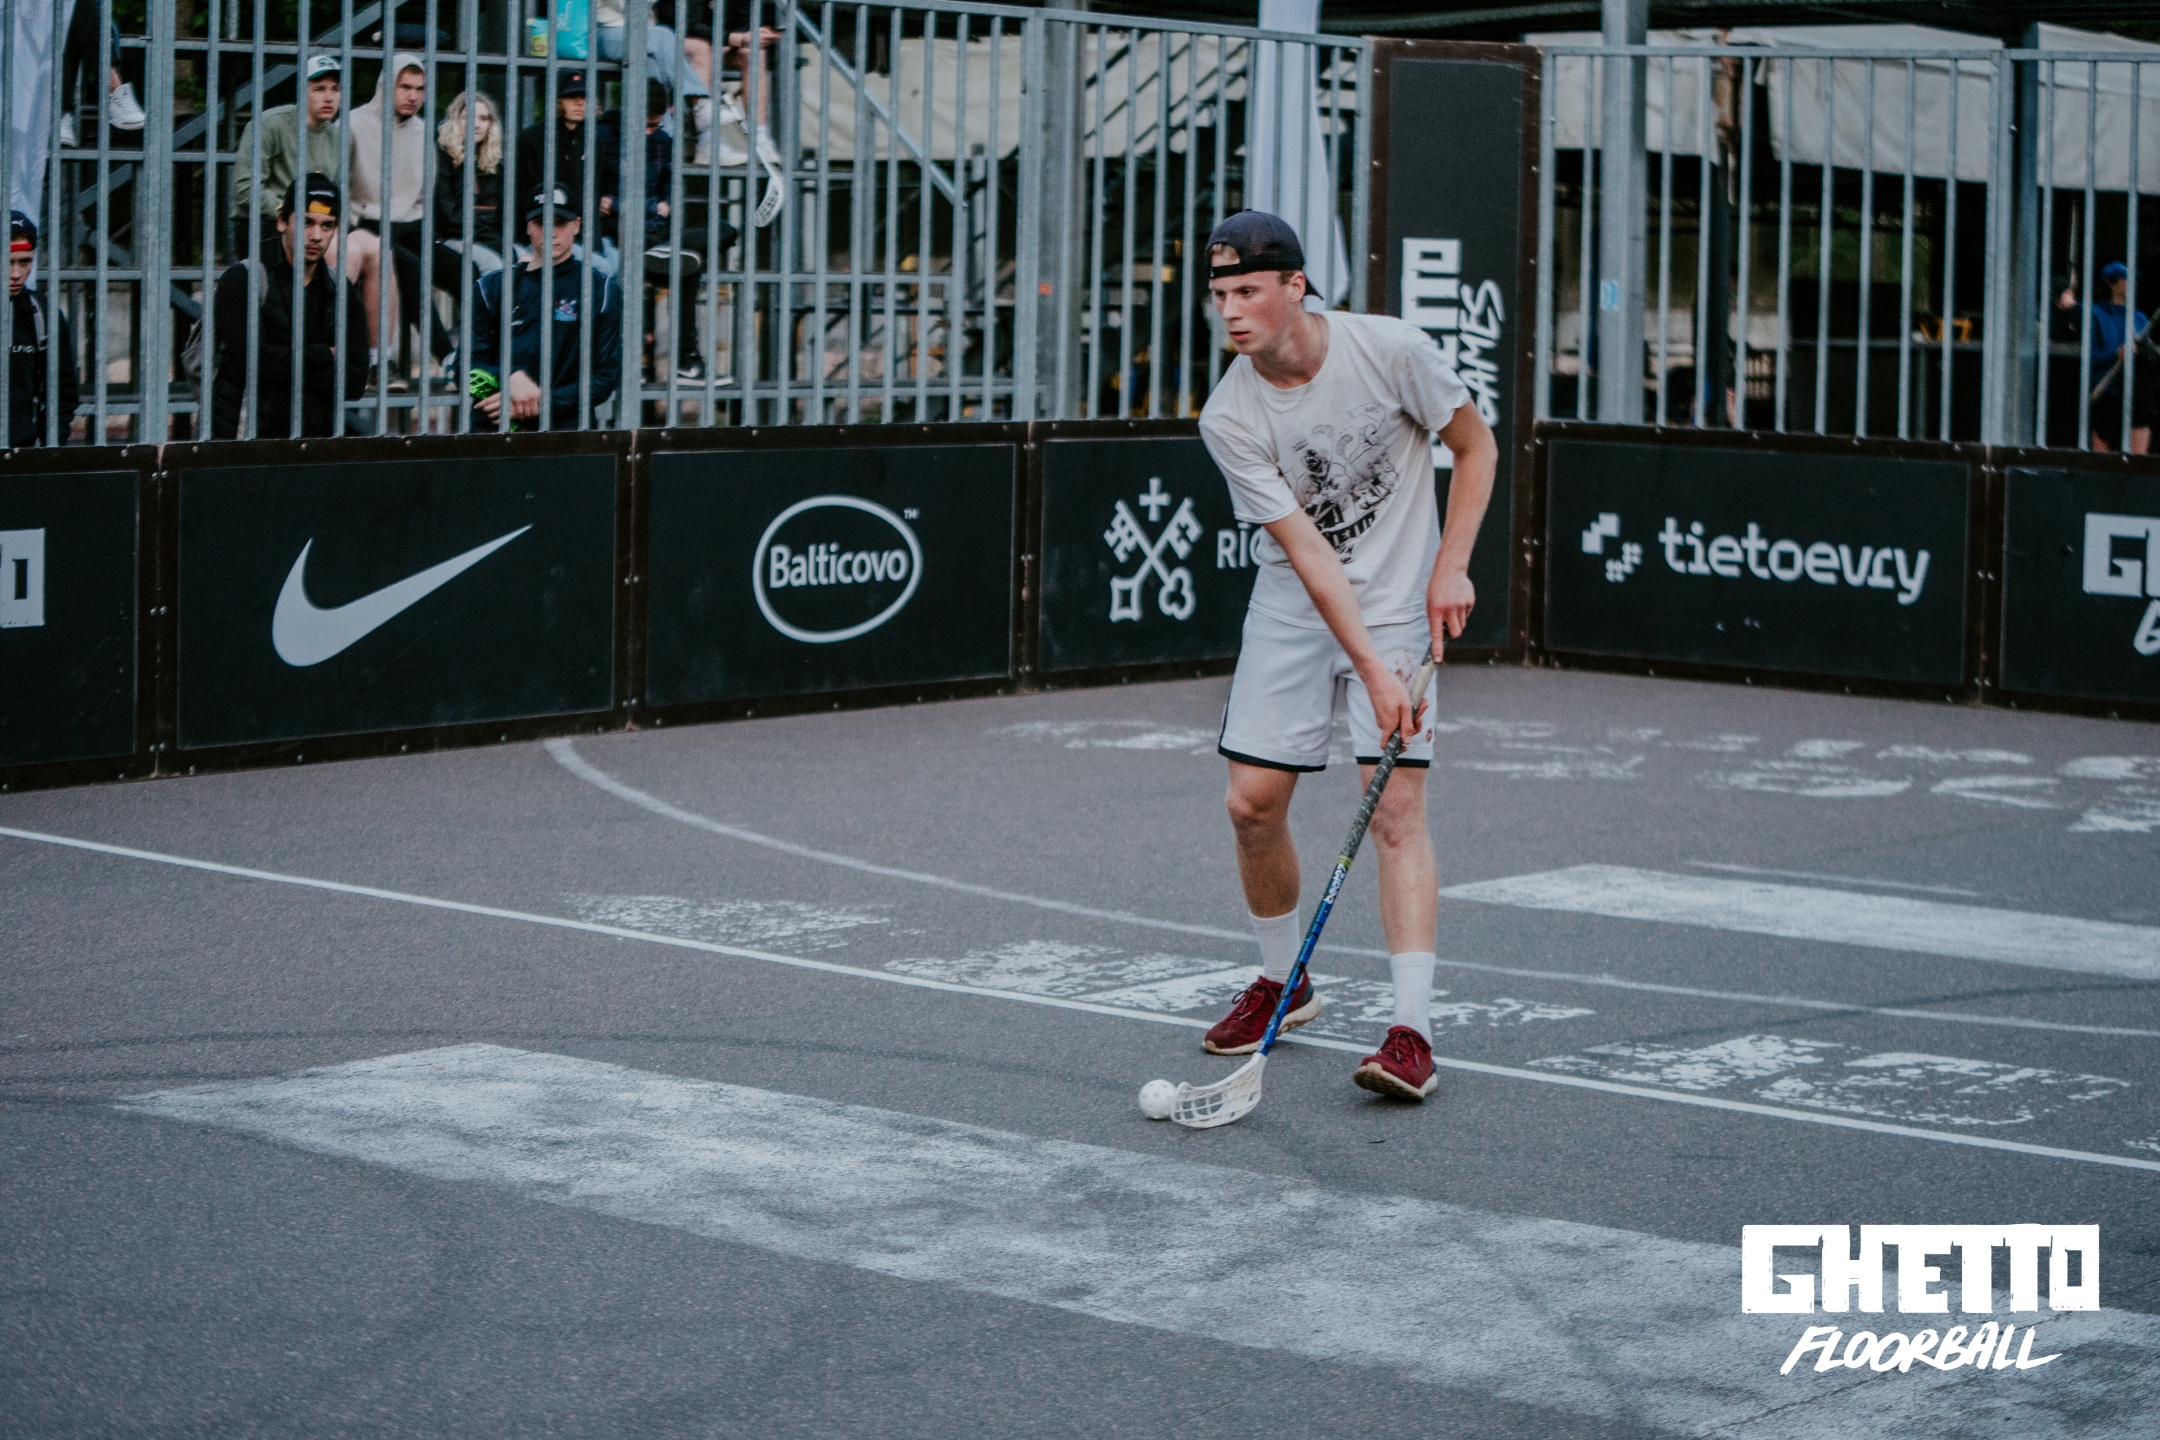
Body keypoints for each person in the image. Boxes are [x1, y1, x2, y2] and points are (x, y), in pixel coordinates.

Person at [1194, 210, 1497, 1103]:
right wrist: (1369, 669)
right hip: (1295, 607)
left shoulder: (1391, 350)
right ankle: (1284, 982)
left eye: (1249, 291)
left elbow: (1474, 446)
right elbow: (1311, 556)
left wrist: (1450, 566)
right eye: (1219, 295)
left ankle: (1412, 1032)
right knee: (1251, 804)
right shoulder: (1229, 415)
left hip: (1401, 604)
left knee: (1395, 810)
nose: (1231, 312)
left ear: (1296, 287)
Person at [208, 173, 370, 438]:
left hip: (313, 443)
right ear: (282, 221)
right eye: (306, 222)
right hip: (244, 441)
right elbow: (253, 365)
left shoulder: (340, 291)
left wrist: (280, 364)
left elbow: (354, 381)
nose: (316, 236)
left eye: (327, 226)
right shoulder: (244, 279)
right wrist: (323, 354)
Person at [470, 185, 622, 431]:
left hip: (568, 435)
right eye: (541, 223)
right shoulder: (491, 287)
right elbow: (466, 364)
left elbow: (605, 377)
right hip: (496, 433)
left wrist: (540, 402)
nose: (550, 232)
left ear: (577, 225)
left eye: (560, 222)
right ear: (528, 226)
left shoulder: (601, 289)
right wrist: (509, 377)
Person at [347, 52, 433, 360]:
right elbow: (340, 183)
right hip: (366, 222)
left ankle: (481, 356)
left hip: (413, 223)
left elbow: (426, 192)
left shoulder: (423, 131)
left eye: (420, 89)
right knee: (407, 266)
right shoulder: (354, 123)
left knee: (465, 269)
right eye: (405, 87)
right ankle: (386, 360)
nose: (413, 96)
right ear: (386, 86)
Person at [229, 55, 345, 239]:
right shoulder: (270, 124)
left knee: (368, 247)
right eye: (319, 89)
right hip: (269, 223)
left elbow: (338, 193)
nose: (329, 98)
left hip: (317, 224)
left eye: (335, 89)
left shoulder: (337, 136)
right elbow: (245, 191)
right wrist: (293, 214)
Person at [2059, 262, 2155, 455]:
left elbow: (2150, 356)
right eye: (2127, 279)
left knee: (2139, 443)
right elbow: (2090, 356)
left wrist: (2144, 353)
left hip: (2136, 389)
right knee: (2101, 446)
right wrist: (2115, 355)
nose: (2133, 284)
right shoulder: (2095, 314)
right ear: (2112, 283)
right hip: (2106, 388)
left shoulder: (2140, 318)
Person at [514, 70, 619, 238]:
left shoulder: (592, 140)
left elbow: (596, 191)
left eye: (584, 96)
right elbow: (525, 196)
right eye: (571, 96)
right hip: (542, 233)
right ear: (557, 100)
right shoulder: (531, 139)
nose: (579, 102)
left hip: (585, 235)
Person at [6, 211, 80, 446]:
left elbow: (64, 391)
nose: (16, 274)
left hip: (23, 453)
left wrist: (50, 444)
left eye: (24, 262)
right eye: (7, 262)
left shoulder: (42, 314)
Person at [433, 89, 507, 268]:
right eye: (468, 117)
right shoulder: (441, 158)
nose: (476, 125)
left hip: (489, 238)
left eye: (484, 118)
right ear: (454, 121)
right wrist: (497, 244)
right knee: (493, 264)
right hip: (452, 238)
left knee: (527, 260)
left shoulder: (495, 163)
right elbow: (448, 217)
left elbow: (503, 215)